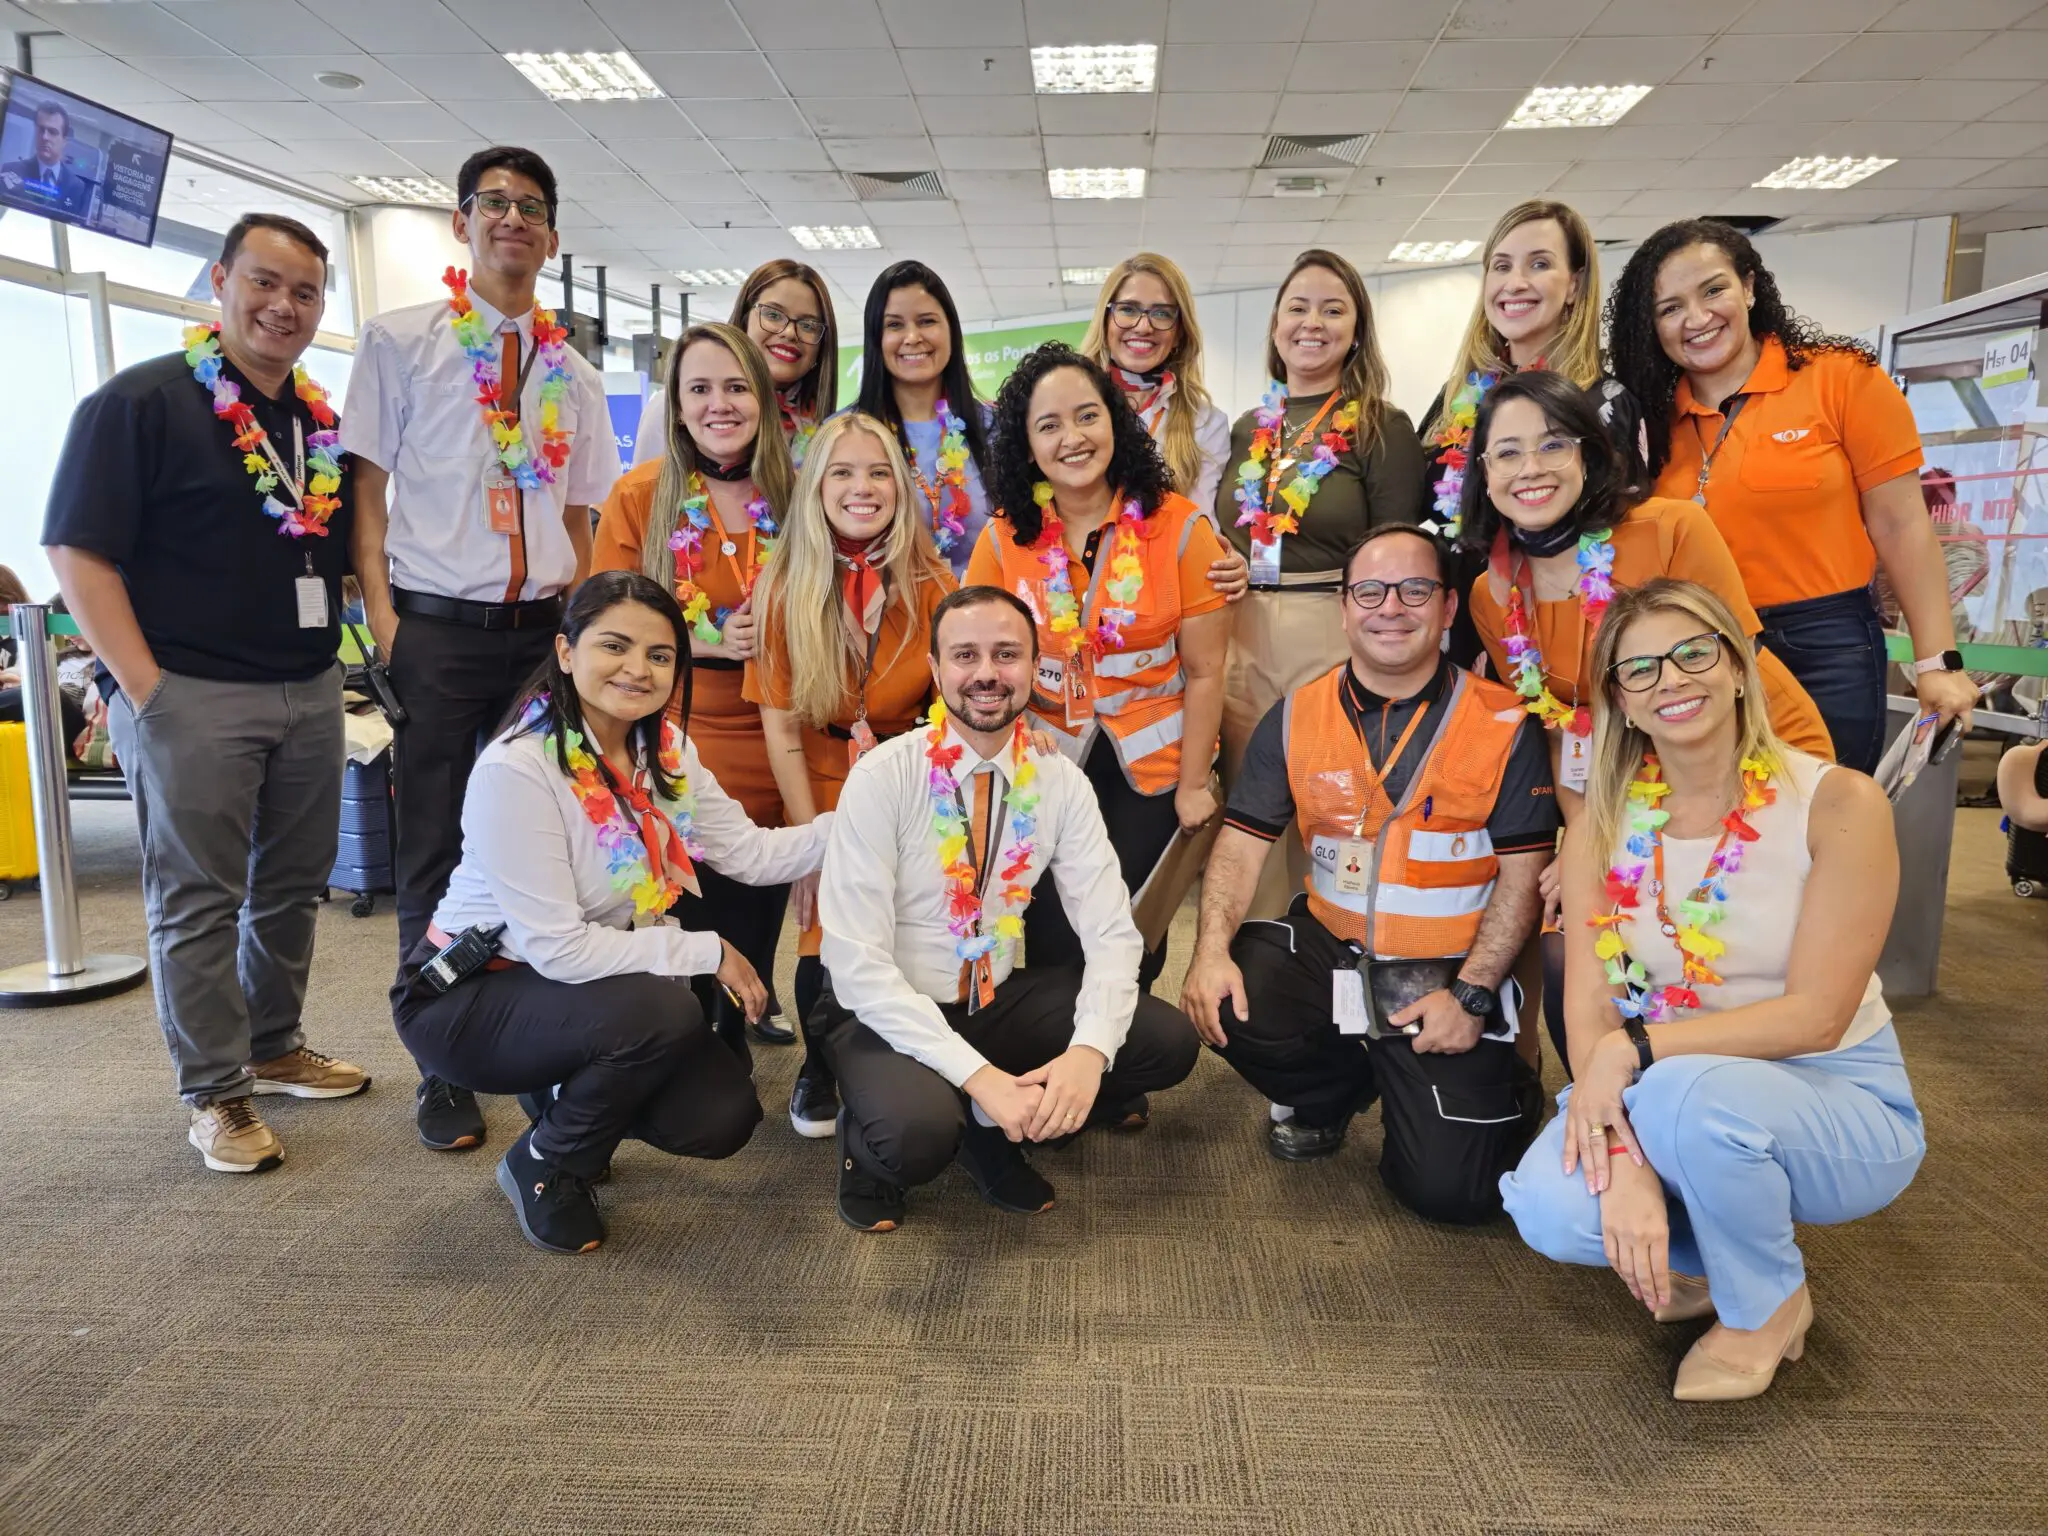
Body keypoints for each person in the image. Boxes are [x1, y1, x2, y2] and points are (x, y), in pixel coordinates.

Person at [1501, 578, 1924, 1402]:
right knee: (1552, 1208)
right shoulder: (1600, 822)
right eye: (1642, 669)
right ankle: (1699, 1262)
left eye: (1693, 652)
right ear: (1618, 701)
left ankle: (1768, 1304)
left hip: (1838, 1098)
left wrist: (1639, 1053)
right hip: (1661, 1086)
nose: (1673, 680)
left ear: (1738, 666)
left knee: (1688, 1095)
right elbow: (1589, 1004)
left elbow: (1818, 1013)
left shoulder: (1837, 800)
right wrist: (1620, 1158)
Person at [41, 213, 367, 1173]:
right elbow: (76, 550)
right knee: (197, 898)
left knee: (292, 887)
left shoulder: (313, 417)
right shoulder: (139, 403)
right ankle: (215, 1091)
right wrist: (147, 690)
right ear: (219, 280)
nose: (284, 306)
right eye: (265, 283)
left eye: (306, 292)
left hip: (309, 686)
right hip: (190, 693)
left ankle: (273, 1043)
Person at [393, 572, 833, 1254]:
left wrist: (862, 817)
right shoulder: (519, 767)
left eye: (660, 656)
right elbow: (558, 949)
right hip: (464, 995)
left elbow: (748, 853)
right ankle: (545, 1164)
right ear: (566, 652)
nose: (639, 669)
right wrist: (706, 950)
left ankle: (558, 1093)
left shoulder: (665, 753)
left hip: (571, 992)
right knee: (661, 1012)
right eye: (616, 646)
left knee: (722, 1115)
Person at [345, 145, 620, 1154]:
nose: (513, 219)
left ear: (551, 238)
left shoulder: (573, 374)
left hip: (539, 640)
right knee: (432, 850)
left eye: (532, 208)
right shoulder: (400, 342)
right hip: (436, 632)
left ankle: (536, 1049)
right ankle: (440, 1061)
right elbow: (366, 495)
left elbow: (584, 514)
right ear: (462, 222)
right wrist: (384, 623)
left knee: (543, 843)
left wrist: (582, 634)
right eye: (494, 203)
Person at [1179, 524, 1557, 1225]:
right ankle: (1336, 1093)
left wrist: (1473, 996)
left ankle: (1492, 1089)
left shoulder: (1505, 721)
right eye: (1371, 591)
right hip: (1336, 949)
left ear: (1447, 609)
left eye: (1415, 589)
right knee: (1233, 997)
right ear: (1344, 608)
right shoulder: (1295, 716)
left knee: (1455, 1196)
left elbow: (1524, 873)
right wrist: (1205, 955)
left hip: (1445, 973)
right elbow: (1240, 842)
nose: (1392, 607)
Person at [1457, 372, 1836, 1065]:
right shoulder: (1492, 591)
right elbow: (1559, 726)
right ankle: (1619, 1113)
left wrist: (1642, 837)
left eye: (1551, 445)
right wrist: (1586, 845)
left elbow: (1728, 683)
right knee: (1576, 940)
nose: (1530, 469)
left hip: (1750, 766)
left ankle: (1717, 1101)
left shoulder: (1670, 531)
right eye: (1506, 453)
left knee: (1700, 942)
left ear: (1589, 455)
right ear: (1483, 473)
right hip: (1621, 788)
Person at [813, 585, 1201, 1231]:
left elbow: (1111, 932)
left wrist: (1089, 1054)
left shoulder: (1057, 781)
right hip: (885, 1009)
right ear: (936, 671)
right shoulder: (884, 776)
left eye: (1007, 654)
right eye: (965, 655)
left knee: (1165, 1044)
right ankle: (877, 1149)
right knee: (912, 1141)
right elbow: (855, 965)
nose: (987, 673)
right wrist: (980, 1078)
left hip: (992, 998)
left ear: (1032, 667)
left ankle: (988, 1129)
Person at [1606, 217, 1976, 772]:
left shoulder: (1841, 379)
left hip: (1826, 645)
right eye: (1670, 307)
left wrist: (1938, 661)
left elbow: (1903, 526)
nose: (1698, 318)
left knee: (1825, 819)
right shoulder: (1648, 421)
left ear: (1750, 287)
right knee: (1716, 826)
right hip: (1699, 650)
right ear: (1651, 326)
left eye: (1714, 290)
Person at [968, 341, 1232, 1001]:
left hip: (1154, 765)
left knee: (1133, 923)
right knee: (1053, 921)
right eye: (1048, 425)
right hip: (1047, 759)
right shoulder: (1003, 538)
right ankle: (1063, 1070)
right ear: (1027, 446)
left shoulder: (1180, 528)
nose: (1073, 438)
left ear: (1115, 421)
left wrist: (1195, 784)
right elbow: (974, 659)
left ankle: (1126, 1070)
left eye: (1087, 416)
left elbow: (1206, 672)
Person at [745, 411, 957, 1136]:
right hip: (825, 774)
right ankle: (821, 1067)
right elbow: (779, 724)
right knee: (820, 929)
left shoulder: (933, 581)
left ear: (899, 486)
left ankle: (908, 1056)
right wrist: (810, 844)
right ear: (815, 486)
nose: (861, 488)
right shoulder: (782, 585)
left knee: (908, 924)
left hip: (910, 774)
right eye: (843, 472)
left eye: (877, 473)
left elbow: (951, 709)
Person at [592, 321, 798, 1045]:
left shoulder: (799, 491)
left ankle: (744, 1013)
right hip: (678, 729)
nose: (720, 404)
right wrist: (706, 642)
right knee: (696, 898)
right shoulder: (640, 494)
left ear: (765, 400)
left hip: (780, 730)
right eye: (700, 389)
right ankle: (698, 1030)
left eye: (737, 387)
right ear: (675, 407)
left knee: (762, 891)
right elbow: (604, 630)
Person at [1218, 248, 1424, 916]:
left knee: (1333, 809)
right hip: (1243, 632)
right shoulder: (1253, 429)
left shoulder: (1380, 425)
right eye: (1297, 307)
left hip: (1332, 630)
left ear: (1357, 328)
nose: (1313, 322)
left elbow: (1402, 556)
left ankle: (1333, 963)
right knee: (1252, 812)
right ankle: (1257, 967)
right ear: (1276, 325)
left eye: (1333, 309)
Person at [1414, 200, 1646, 668]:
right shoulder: (1457, 398)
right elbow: (1426, 512)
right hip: (1460, 626)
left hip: (1557, 633)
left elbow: (1621, 536)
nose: (1514, 282)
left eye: (1539, 264)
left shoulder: (1603, 401)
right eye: (1501, 266)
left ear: (1575, 284)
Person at [852, 261, 997, 580]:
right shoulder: (845, 435)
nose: (913, 337)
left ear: (951, 330)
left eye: (927, 321)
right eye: (894, 325)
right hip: (882, 621)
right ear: (876, 337)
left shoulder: (996, 429)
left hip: (983, 621)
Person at [632, 259, 839, 470]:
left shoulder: (826, 429)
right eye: (773, 315)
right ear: (744, 319)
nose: (789, 332)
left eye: (808, 325)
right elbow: (643, 494)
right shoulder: (678, 406)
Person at [1078, 254, 1232, 512]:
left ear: (1179, 332)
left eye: (1162, 313)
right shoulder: (1071, 407)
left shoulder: (1205, 423)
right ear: (1105, 321)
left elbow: (1201, 524)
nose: (1143, 326)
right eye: (1128, 309)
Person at [1, 100, 89, 215]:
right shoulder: (11, 171)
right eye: (41, 130)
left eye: (52, 132)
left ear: (64, 141)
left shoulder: (76, 186)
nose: (45, 137)